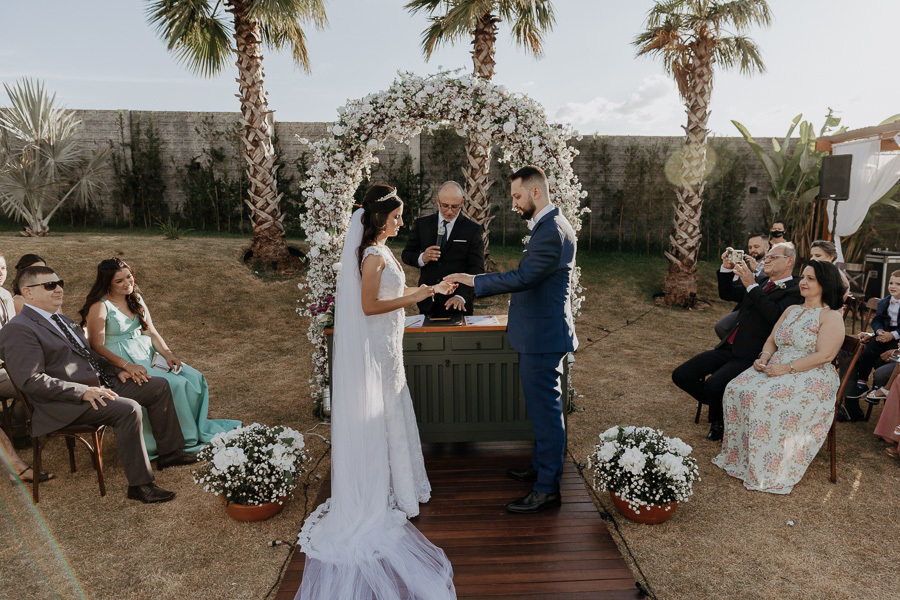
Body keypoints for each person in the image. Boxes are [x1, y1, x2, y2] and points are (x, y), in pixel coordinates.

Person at [297, 185, 456, 600]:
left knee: (393, 410)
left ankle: (402, 488)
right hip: (378, 347)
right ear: (380, 218)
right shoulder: (370, 255)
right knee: (382, 410)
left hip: (389, 347)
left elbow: (389, 296)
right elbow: (369, 306)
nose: (402, 222)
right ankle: (387, 492)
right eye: (397, 216)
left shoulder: (382, 252)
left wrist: (429, 291)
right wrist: (417, 295)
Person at [0, 266, 199, 503]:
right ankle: (140, 485)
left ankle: (169, 452)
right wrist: (83, 391)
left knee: (157, 386)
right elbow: (31, 380)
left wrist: (118, 370)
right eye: (49, 285)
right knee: (128, 409)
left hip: (99, 385)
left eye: (59, 282)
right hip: (64, 403)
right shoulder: (19, 329)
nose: (58, 289)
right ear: (28, 293)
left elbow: (89, 356)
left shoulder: (60, 319)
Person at [445, 165, 577, 514]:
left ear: (536, 192)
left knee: (547, 414)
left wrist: (472, 280)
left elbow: (525, 277)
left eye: (518, 196)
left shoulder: (551, 231)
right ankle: (539, 467)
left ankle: (547, 488)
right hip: (538, 334)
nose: (514, 203)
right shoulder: (548, 227)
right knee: (541, 411)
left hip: (543, 337)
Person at [79, 258, 240, 458]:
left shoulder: (135, 297)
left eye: (129, 277)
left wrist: (168, 353)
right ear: (107, 283)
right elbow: (96, 345)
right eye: (119, 281)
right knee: (173, 384)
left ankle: (195, 430)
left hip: (146, 354)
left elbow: (151, 331)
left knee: (193, 377)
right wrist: (126, 366)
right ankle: (179, 441)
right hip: (121, 360)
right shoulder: (100, 306)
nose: (127, 283)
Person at [712, 260, 845, 493]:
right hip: (777, 364)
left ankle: (767, 465)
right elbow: (772, 340)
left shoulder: (830, 316)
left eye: (811, 279)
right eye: (803, 277)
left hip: (811, 373)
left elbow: (826, 355)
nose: (803, 282)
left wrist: (786, 368)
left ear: (826, 283)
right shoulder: (792, 309)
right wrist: (763, 357)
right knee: (736, 388)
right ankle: (741, 457)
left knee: (764, 398)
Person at [673, 242, 803, 441]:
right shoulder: (761, 283)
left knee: (714, 384)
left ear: (789, 261)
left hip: (752, 353)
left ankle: (719, 423)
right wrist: (726, 267)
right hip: (729, 347)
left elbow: (774, 314)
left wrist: (751, 284)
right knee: (681, 375)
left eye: (773, 257)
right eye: (766, 257)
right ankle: (726, 406)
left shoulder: (795, 289)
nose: (766, 260)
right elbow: (728, 293)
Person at [0, 252, 55, 483]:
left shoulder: (4, 295)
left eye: (2, 267)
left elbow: (13, 335)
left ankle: (19, 425)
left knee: (39, 380)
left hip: (5, 366)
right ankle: (18, 469)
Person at [401, 181, 485, 318]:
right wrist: (422, 257)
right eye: (445, 206)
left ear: (462, 202)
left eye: (455, 207)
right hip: (428, 300)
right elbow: (407, 254)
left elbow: (476, 267)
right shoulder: (422, 224)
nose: (449, 211)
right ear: (437, 201)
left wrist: (462, 296)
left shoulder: (472, 229)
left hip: (458, 304)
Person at [841, 270, 900, 421]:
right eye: (891, 283)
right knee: (862, 351)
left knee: (882, 359)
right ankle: (860, 384)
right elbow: (877, 320)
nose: (893, 286)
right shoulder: (885, 302)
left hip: (896, 340)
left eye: (898, 284)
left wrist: (892, 335)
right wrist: (878, 331)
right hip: (883, 335)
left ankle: (877, 389)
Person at [714, 233, 769, 339]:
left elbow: (768, 283)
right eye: (750, 247)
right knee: (722, 327)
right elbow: (728, 292)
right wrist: (728, 268)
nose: (753, 250)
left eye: (756, 246)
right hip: (744, 308)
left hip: (764, 309)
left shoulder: (772, 264)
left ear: (767, 247)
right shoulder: (743, 265)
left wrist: (756, 270)